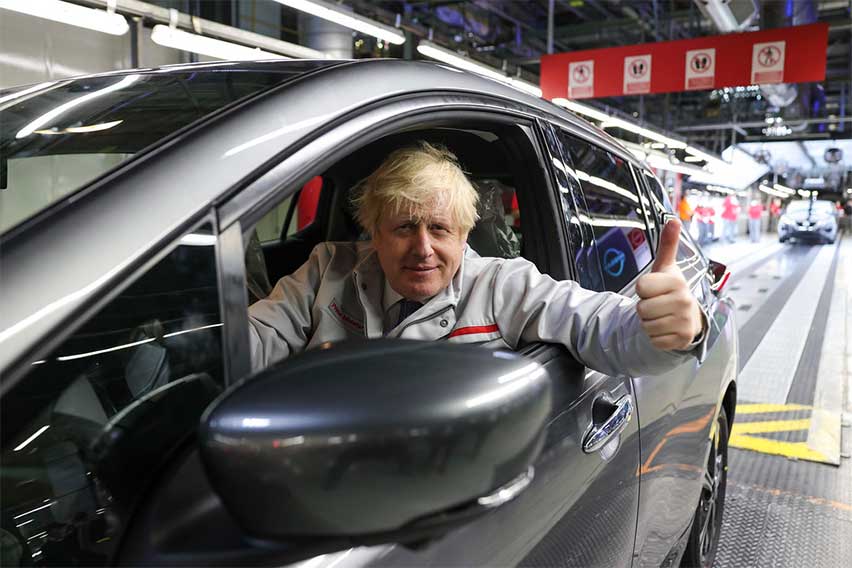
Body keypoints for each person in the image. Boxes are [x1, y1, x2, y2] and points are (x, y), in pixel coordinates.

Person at [248, 142, 706, 377]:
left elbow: (596, 324)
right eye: (404, 227)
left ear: (465, 234)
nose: (423, 248)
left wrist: (671, 331)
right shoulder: (327, 269)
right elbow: (249, 342)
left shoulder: (502, 286)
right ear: (374, 233)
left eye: (440, 229)